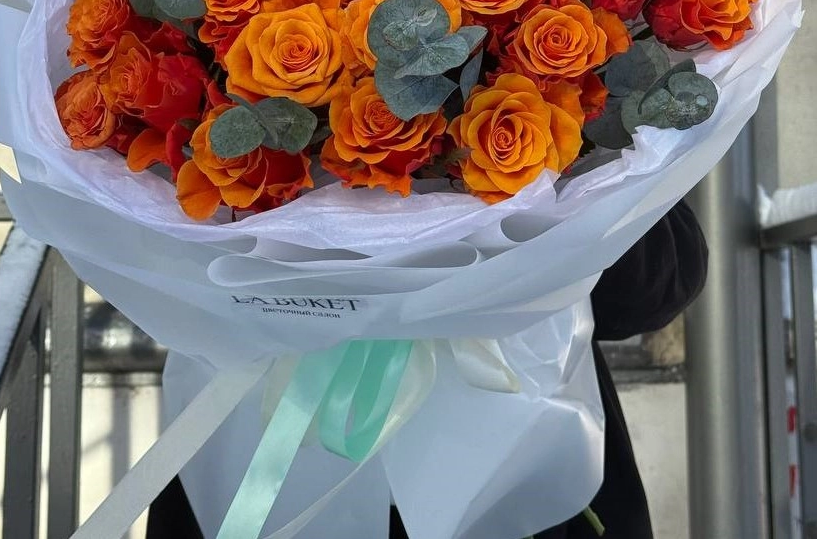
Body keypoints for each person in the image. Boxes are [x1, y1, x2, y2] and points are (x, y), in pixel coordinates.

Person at [147, 200, 707, 539]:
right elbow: (148, 274)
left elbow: (656, 288)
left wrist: (562, 196)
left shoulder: (570, 74)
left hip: (527, 463)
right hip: (259, 439)